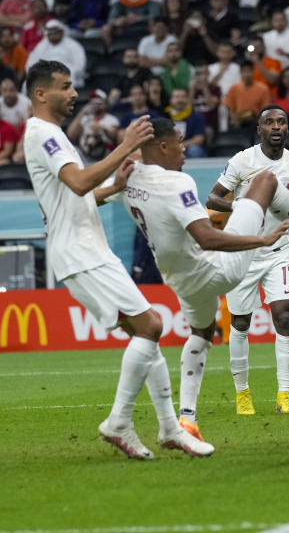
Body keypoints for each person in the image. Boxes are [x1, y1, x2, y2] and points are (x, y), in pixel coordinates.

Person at [22, 60, 212, 459]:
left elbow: (78, 195)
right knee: (152, 324)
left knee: (145, 334)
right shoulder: (45, 135)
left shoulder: (49, 134)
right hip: (79, 249)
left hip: (84, 246)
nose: (74, 93)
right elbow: (77, 181)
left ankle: (169, 429)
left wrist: (114, 187)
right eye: (66, 86)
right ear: (41, 93)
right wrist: (125, 146)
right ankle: (119, 422)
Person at [120, 116, 289, 439]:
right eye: (180, 141)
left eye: (282, 122)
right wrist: (260, 238)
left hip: (181, 279)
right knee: (265, 182)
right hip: (229, 263)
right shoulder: (186, 182)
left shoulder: (129, 182)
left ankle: (187, 418)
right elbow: (208, 235)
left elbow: (91, 188)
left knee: (203, 334)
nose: (186, 148)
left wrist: (125, 152)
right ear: (162, 147)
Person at [206, 106, 289, 416]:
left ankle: (284, 395)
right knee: (240, 323)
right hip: (243, 252)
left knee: (283, 315)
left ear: (287, 129)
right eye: (269, 122)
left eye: (281, 121)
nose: (276, 126)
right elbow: (213, 199)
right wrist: (247, 206)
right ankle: (243, 395)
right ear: (260, 129)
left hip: (279, 252)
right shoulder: (243, 160)